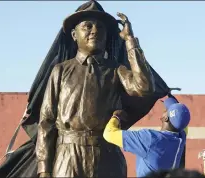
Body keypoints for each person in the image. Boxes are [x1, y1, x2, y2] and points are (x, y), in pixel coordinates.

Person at [36, 0, 159, 177]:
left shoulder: (116, 70)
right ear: (74, 34)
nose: (95, 31)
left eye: (100, 28)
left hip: (106, 156)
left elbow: (144, 88)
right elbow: (46, 121)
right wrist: (44, 168)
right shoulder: (61, 70)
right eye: (87, 26)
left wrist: (130, 41)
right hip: (68, 156)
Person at [103, 94, 190, 177]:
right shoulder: (181, 137)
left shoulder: (150, 139)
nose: (165, 108)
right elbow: (181, 121)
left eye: (166, 110)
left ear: (165, 118)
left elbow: (109, 134)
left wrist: (116, 117)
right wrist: (173, 103)